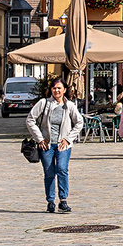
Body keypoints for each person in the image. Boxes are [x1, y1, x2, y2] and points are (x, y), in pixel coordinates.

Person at [26, 78, 82, 213]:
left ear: (64, 90)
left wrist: (68, 139)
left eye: (59, 88)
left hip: (63, 145)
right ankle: (50, 201)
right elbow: (30, 120)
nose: (56, 90)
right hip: (47, 145)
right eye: (54, 88)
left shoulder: (69, 105)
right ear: (51, 89)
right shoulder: (44, 103)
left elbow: (79, 123)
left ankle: (63, 201)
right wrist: (40, 139)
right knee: (49, 172)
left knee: (62, 169)